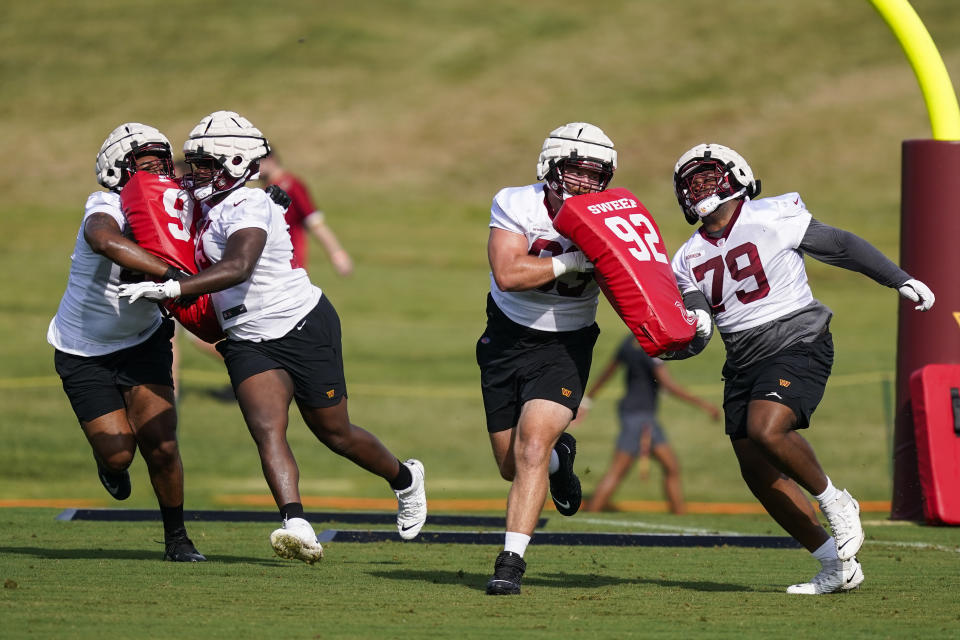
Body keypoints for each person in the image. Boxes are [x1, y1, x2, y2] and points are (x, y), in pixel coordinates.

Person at [119, 111, 426, 564]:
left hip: (300, 323)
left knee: (335, 433)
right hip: (245, 335)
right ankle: (296, 522)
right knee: (267, 431)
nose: (194, 173)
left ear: (237, 162)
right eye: (194, 163)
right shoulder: (213, 199)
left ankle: (405, 478)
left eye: (205, 164)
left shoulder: (249, 205)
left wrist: (172, 287)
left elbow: (239, 265)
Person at [667, 143, 935, 595]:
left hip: (797, 338)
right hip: (743, 359)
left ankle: (836, 500)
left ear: (735, 176)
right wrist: (681, 339)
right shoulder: (685, 258)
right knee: (756, 468)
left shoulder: (774, 214)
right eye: (690, 181)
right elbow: (700, 325)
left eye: (707, 176)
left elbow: (840, 244)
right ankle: (835, 565)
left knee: (767, 428)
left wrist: (899, 278)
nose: (699, 186)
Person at [47, 123, 205, 562]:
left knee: (163, 443)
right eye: (145, 161)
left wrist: (270, 200)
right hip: (84, 349)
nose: (158, 168)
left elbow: (222, 209)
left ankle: (177, 540)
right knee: (119, 456)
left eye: (162, 159)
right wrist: (170, 276)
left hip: (143, 339)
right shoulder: (106, 204)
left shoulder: (174, 202)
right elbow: (104, 239)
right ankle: (108, 464)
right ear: (119, 168)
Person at [477, 122, 616, 595]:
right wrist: (572, 262)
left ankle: (510, 562)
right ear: (550, 167)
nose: (584, 185)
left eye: (595, 176)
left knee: (532, 445)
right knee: (511, 463)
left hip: (566, 342)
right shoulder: (517, 202)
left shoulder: (611, 216)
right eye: (575, 172)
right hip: (506, 336)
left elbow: (638, 283)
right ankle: (563, 462)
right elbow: (509, 272)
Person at [576, 334, 720, 514]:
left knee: (671, 467)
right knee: (618, 470)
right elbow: (668, 385)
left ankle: (680, 516)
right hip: (640, 418)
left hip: (638, 416)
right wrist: (704, 404)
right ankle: (591, 514)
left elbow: (608, 371)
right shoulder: (652, 345)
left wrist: (587, 401)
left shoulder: (629, 340)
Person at [258, 151, 353, 276]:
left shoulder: (292, 185)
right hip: (270, 264)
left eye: (258, 161)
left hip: (291, 262)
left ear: (271, 159)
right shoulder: (265, 190)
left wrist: (338, 254)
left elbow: (315, 223)